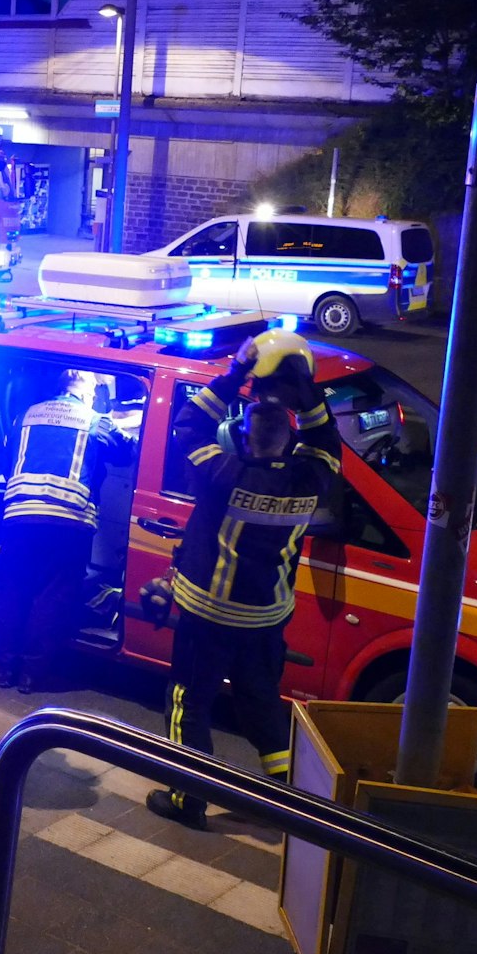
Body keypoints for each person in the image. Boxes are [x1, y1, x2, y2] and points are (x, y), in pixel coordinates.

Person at [142, 330, 342, 831]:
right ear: (289, 441)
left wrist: (235, 373)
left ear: (243, 439)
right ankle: (291, 800)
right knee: (262, 704)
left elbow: (189, 423)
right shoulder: (309, 479)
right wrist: (306, 392)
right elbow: (326, 441)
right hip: (266, 619)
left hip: (209, 616)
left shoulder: (222, 474)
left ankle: (187, 798)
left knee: (189, 702)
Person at [0, 367, 136, 693]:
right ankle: (32, 674)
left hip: (20, 517)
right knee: (53, 597)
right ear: (86, 391)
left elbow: (7, 460)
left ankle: (4, 667)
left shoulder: (26, 415)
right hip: (68, 521)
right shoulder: (94, 419)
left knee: (14, 590)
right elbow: (126, 453)